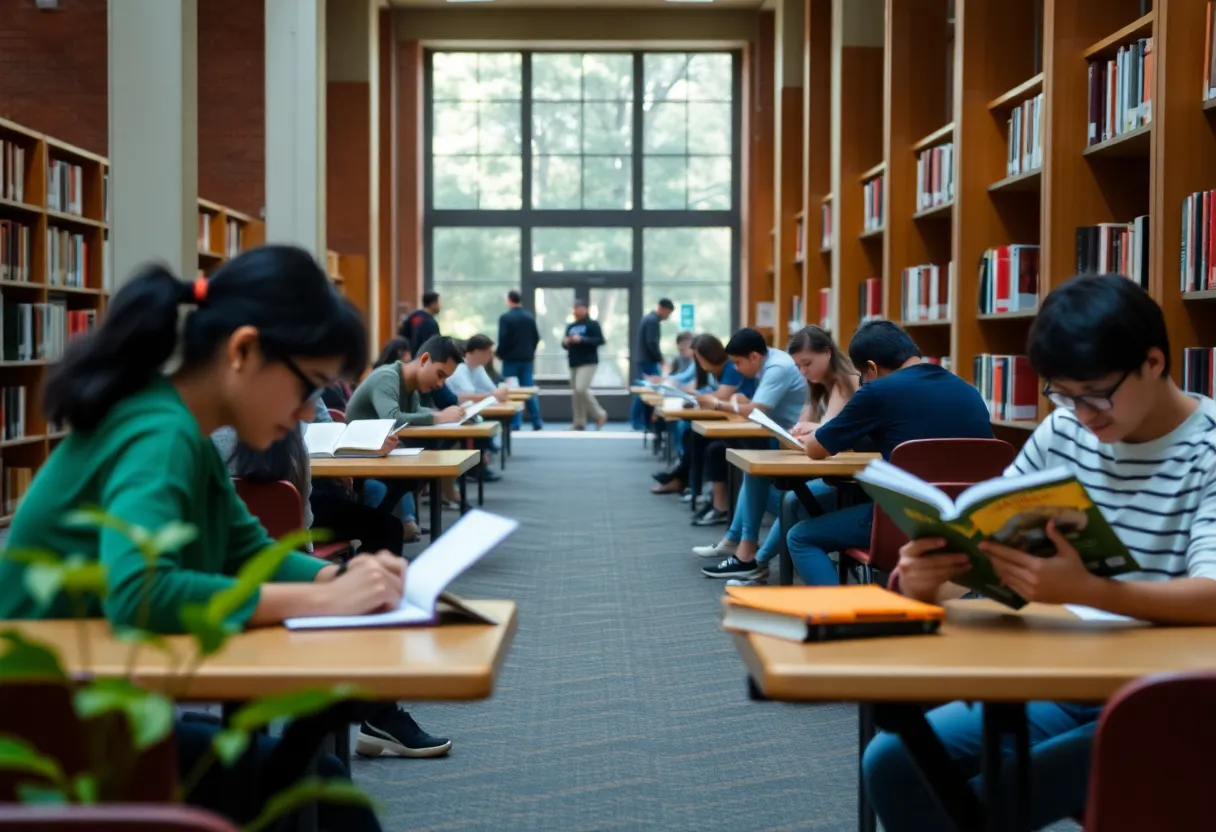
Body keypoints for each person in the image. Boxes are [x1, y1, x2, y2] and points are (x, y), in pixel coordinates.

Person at [0, 247, 389, 831]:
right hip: (44, 739)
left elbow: (249, 554)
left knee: (320, 786)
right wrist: (323, 600)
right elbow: (142, 591)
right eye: (309, 385)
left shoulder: (184, 430)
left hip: (93, 711)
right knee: (321, 796)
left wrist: (344, 578)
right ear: (243, 351)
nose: (312, 410)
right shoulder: (157, 433)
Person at [864, 274, 1216, 830]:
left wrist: (1091, 592)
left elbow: (1213, 594)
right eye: (1064, 395)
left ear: (1153, 362)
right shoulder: (1064, 432)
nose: (1084, 415)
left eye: (1097, 394)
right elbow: (994, 552)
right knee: (892, 762)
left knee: (985, 804)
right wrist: (930, 579)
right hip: (1069, 674)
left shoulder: (1208, 450)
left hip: (1170, 700)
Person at [214, 405, 451, 760]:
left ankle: (369, 715)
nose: (313, 407)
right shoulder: (181, 441)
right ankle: (378, 715)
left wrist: (335, 578)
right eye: (310, 385)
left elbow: (255, 542)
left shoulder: (261, 431)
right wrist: (318, 594)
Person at [785, 319, 992, 586]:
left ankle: (840, 618)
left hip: (905, 521)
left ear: (871, 368)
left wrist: (814, 431)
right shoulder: (968, 391)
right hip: (970, 521)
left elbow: (815, 449)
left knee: (800, 537)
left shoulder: (878, 390)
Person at [694, 326, 859, 584]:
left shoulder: (844, 382)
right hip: (824, 464)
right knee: (757, 475)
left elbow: (830, 430)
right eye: (799, 366)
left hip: (844, 477)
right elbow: (806, 423)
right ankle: (745, 553)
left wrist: (811, 430)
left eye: (807, 364)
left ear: (827, 353)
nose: (803, 372)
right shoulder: (817, 386)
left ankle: (753, 559)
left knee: (789, 498)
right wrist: (801, 430)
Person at [698, 328, 810, 579]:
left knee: (754, 471)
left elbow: (755, 410)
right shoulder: (772, 363)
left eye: (737, 362)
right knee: (751, 468)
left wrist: (718, 404)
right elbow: (759, 407)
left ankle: (746, 551)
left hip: (796, 443)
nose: (735, 369)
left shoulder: (777, 367)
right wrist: (741, 400)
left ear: (754, 357)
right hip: (789, 438)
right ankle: (738, 543)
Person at [345, 335, 466, 512]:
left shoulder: (410, 387)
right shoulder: (387, 377)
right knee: (413, 474)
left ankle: (403, 524)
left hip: (382, 455)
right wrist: (439, 418)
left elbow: (417, 411)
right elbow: (393, 419)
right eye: (440, 375)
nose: (440, 384)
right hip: (358, 460)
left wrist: (446, 414)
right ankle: (400, 524)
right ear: (424, 359)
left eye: (445, 379)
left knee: (416, 473)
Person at [447, 334, 509, 482]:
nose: (490, 357)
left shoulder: (478, 368)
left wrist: (493, 393)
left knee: (483, 424)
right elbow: (467, 395)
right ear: (475, 352)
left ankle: (480, 465)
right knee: (480, 425)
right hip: (453, 412)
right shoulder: (460, 368)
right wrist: (492, 394)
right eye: (488, 353)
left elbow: (491, 390)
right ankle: (476, 468)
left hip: (468, 411)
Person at [497, 289, 543, 431]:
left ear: (509, 300)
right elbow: (536, 338)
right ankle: (536, 421)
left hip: (510, 360)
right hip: (526, 360)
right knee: (528, 389)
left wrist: (499, 354)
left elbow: (503, 339)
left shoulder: (505, 318)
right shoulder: (529, 317)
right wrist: (530, 352)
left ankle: (516, 422)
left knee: (511, 391)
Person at [630, 299, 674, 431]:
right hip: (648, 361)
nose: (668, 316)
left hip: (644, 360)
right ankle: (638, 420)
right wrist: (660, 358)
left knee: (646, 391)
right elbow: (651, 342)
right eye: (668, 312)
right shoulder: (652, 321)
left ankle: (643, 421)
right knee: (648, 391)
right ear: (662, 308)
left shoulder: (648, 319)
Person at [563, 299, 607, 431]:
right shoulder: (570, 326)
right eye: (574, 308)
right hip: (574, 362)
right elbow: (564, 344)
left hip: (588, 361)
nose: (576, 310)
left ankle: (599, 414)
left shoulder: (592, 325)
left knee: (581, 388)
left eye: (579, 308)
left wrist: (582, 339)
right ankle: (579, 422)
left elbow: (600, 340)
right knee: (576, 393)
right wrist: (567, 342)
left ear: (585, 309)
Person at [400, 291, 441, 356]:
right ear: (433, 304)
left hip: (411, 359)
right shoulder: (431, 323)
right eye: (439, 302)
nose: (440, 305)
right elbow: (435, 346)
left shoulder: (414, 316)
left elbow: (402, 334)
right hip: (424, 360)